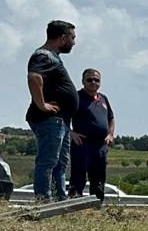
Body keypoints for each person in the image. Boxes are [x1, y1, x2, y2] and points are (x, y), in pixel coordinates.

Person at [25, 20, 79, 202]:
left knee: (60, 163)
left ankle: (59, 201)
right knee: (48, 160)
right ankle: (43, 201)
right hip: (50, 120)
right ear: (63, 38)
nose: (74, 42)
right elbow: (34, 77)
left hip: (61, 121)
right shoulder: (44, 55)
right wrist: (42, 104)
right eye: (72, 37)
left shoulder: (53, 57)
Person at [68, 68, 115, 200]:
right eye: (89, 80)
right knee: (78, 178)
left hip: (100, 146)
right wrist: (71, 133)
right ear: (83, 81)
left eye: (96, 80)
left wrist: (110, 134)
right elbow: (63, 117)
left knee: (99, 179)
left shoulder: (103, 98)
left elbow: (111, 118)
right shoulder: (76, 97)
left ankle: (96, 207)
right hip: (82, 144)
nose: (93, 82)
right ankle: (74, 205)